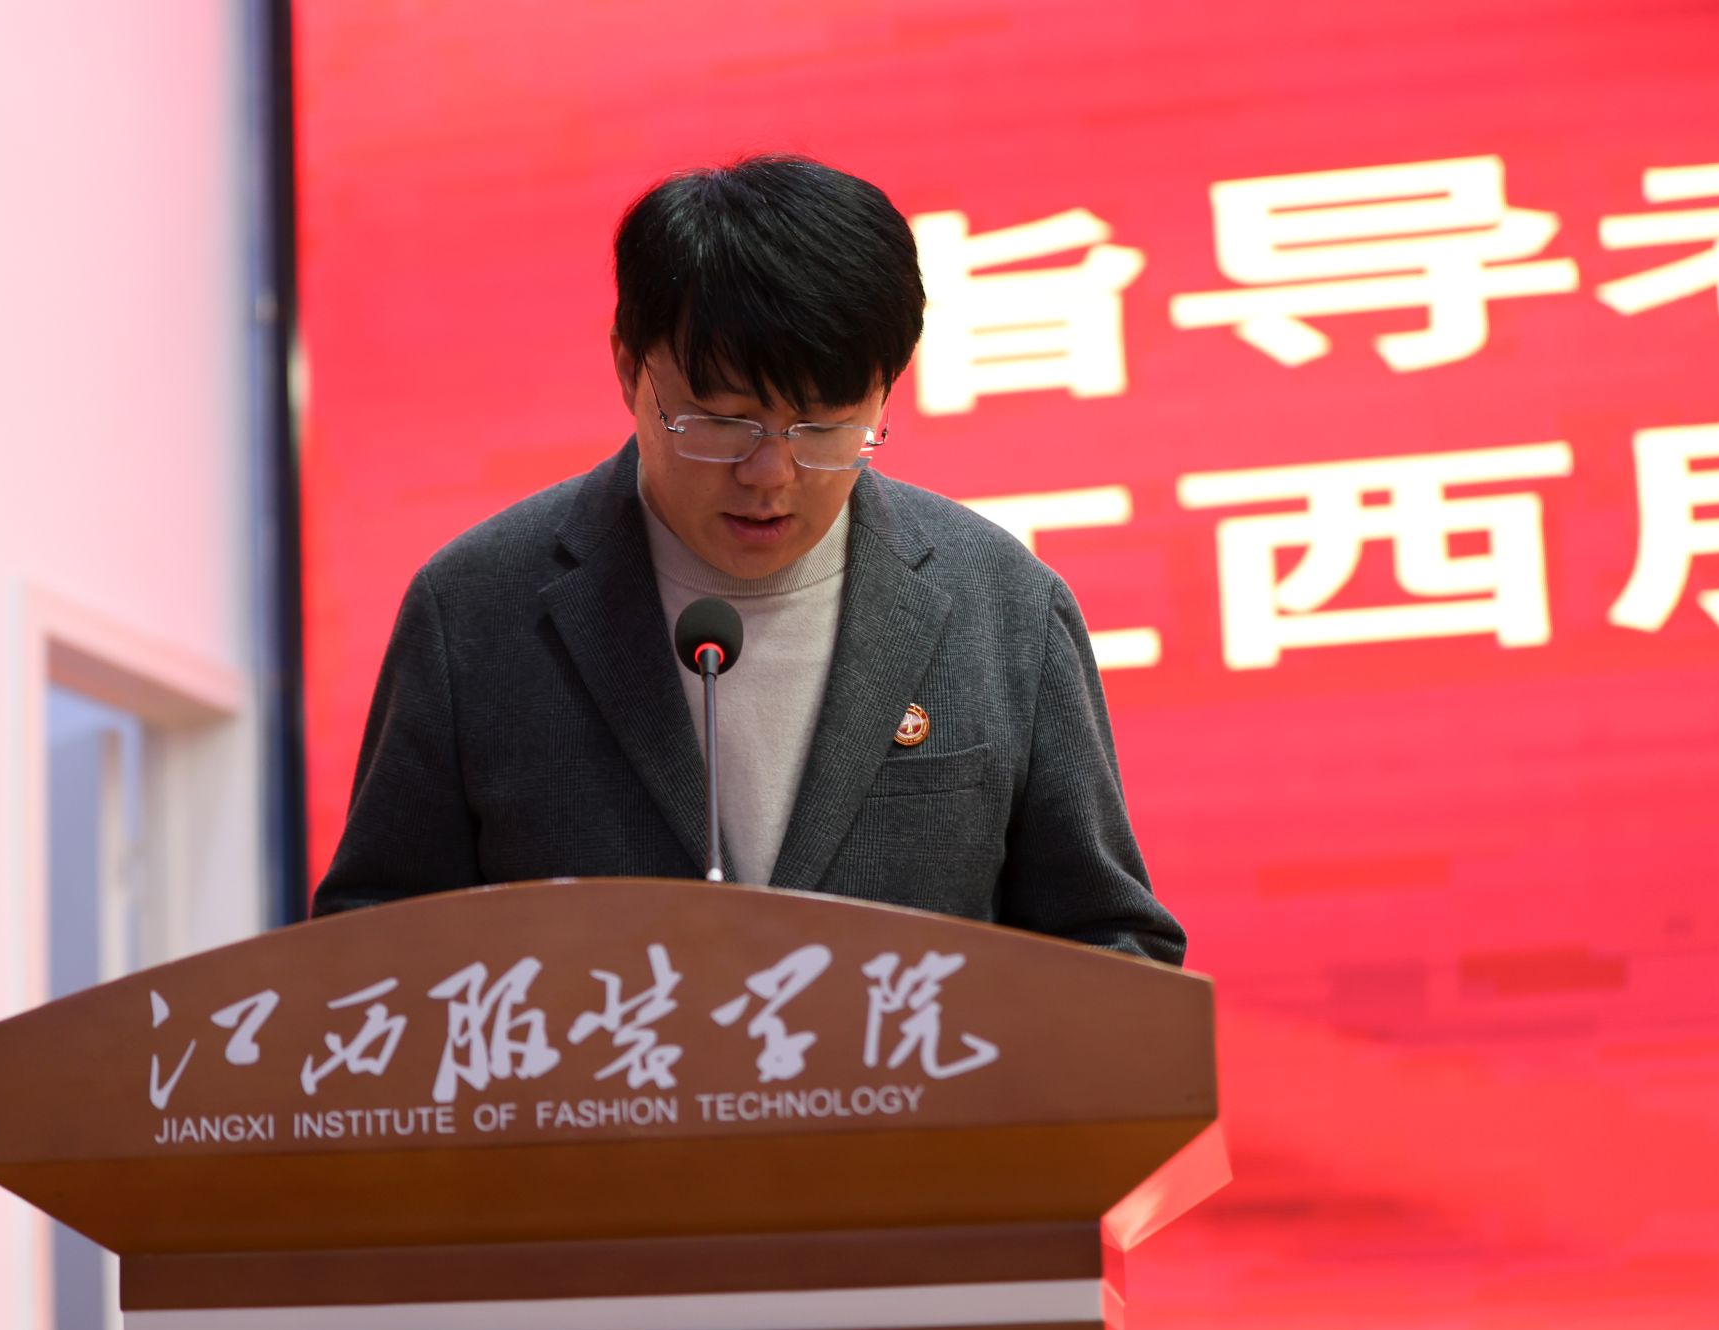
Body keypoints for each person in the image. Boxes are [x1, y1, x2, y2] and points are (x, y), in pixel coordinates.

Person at [313, 155, 1184, 965]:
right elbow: (373, 953)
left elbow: (1112, 944)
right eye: (721, 421)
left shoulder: (1005, 606)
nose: (770, 473)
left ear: (886, 390)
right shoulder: (474, 612)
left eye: (824, 426)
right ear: (629, 370)